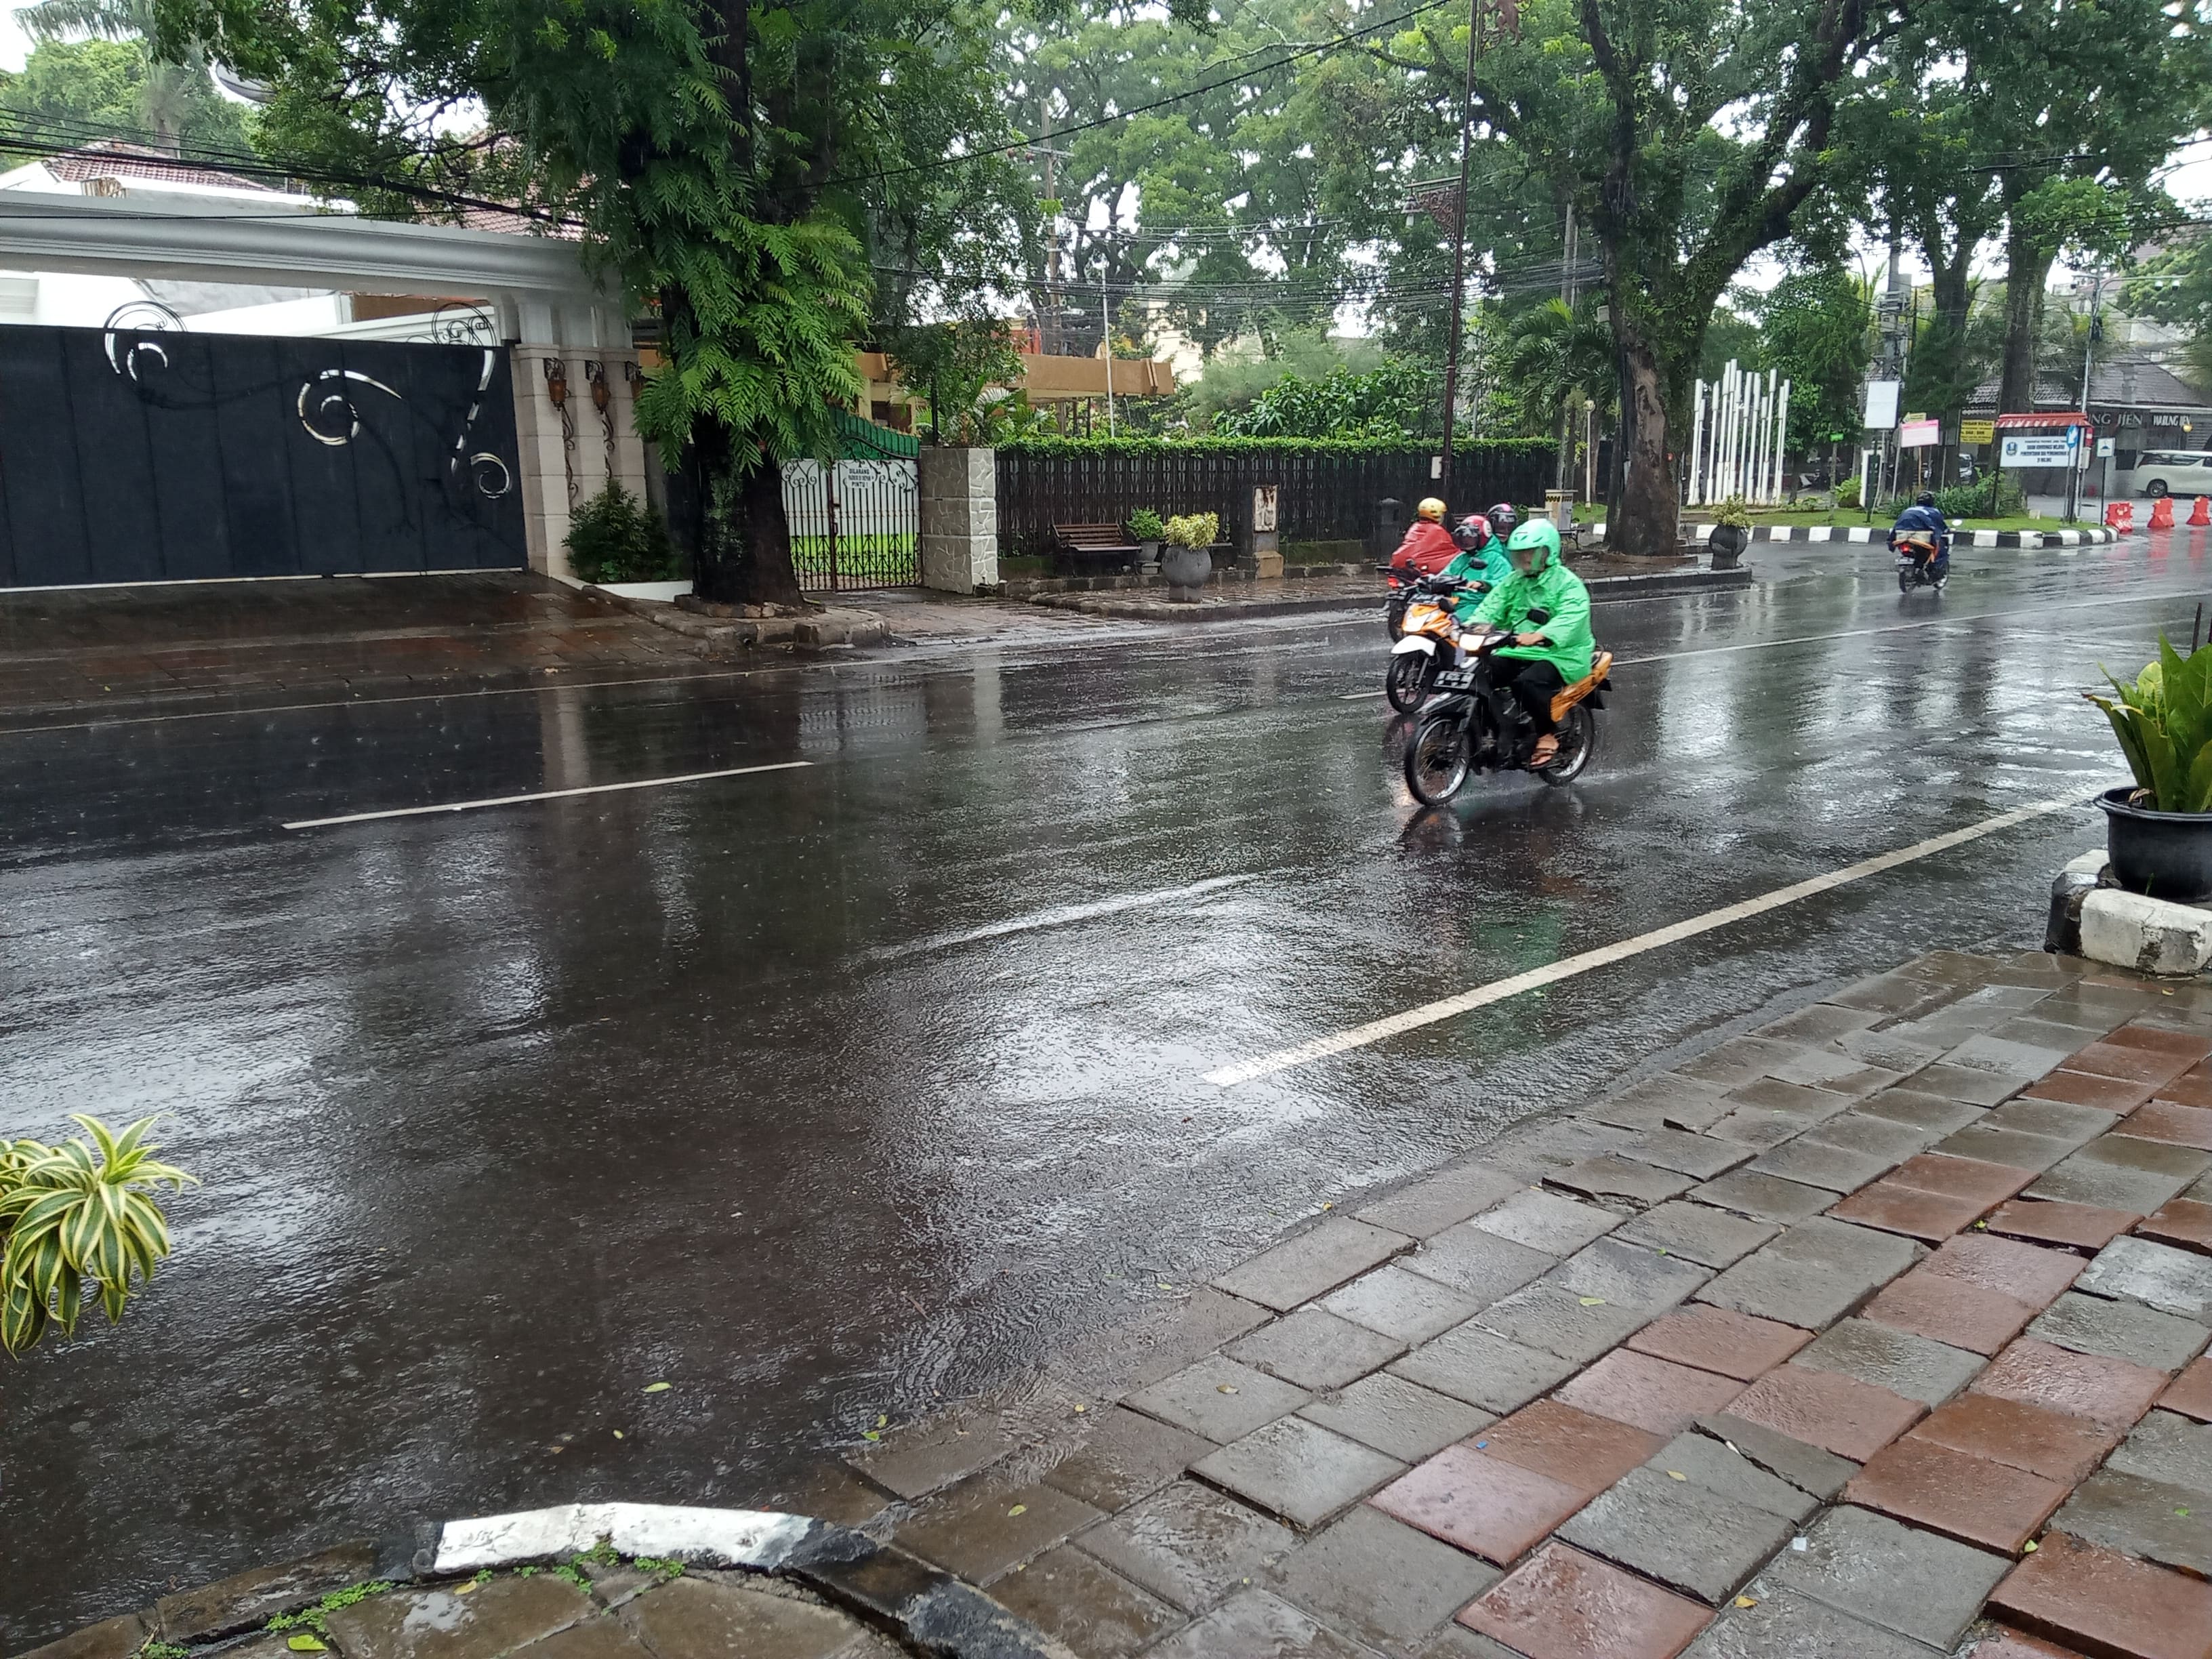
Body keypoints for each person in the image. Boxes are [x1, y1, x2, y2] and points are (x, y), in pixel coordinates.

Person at [1469, 519, 1594, 767]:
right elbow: (1492, 606)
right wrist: (1471, 627)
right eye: (1520, 553)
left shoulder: (1567, 583)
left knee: (1527, 683)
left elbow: (1571, 617)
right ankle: (1499, 730)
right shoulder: (1514, 581)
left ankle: (1547, 734)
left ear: (1547, 552)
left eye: (1530, 552)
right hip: (1517, 647)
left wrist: (1540, 635)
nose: (1524, 558)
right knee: (1478, 673)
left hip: (1559, 653)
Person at [1888, 491, 1952, 586]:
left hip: (1902, 537)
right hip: (1922, 539)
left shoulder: (1908, 510)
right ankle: (1933, 569)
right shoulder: (1933, 511)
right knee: (1940, 548)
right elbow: (1941, 526)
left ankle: (1919, 570)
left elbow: (1897, 525)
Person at [1389, 497, 1460, 580]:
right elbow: (1450, 550)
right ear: (1438, 515)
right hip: (1422, 569)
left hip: (1402, 565)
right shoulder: (1438, 530)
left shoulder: (1415, 527)